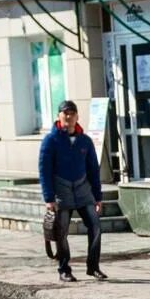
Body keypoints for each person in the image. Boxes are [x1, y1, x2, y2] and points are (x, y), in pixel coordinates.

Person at [38, 100, 107, 283]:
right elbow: (44, 170)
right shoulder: (50, 141)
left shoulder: (85, 141)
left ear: (77, 116)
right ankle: (64, 269)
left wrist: (97, 196)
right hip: (62, 192)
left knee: (95, 226)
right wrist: (49, 198)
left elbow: (93, 169)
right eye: (65, 113)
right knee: (61, 232)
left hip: (83, 191)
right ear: (59, 117)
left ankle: (93, 267)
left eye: (72, 113)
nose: (68, 117)